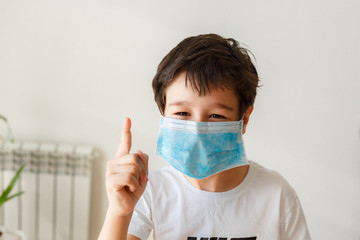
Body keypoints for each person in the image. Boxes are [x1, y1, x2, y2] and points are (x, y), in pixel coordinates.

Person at [98, 33, 311, 240]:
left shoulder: (276, 195)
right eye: (182, 113)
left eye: (216, 116)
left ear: (244, 119)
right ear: (163, 114)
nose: (197, 130)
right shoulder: (151, 190)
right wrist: (119, 212)